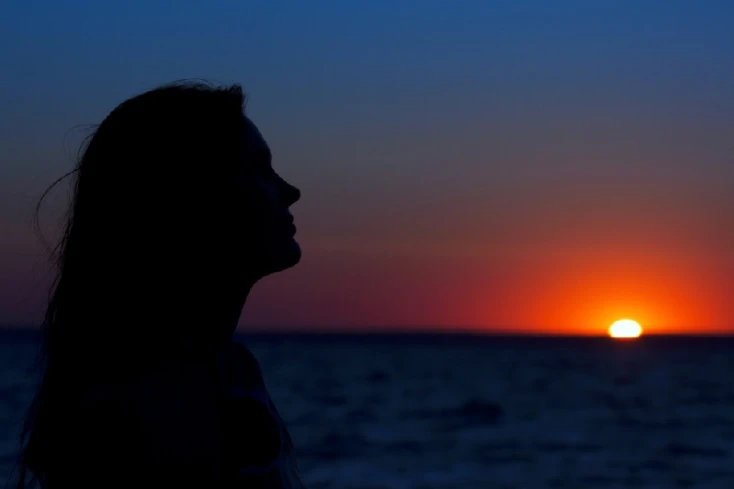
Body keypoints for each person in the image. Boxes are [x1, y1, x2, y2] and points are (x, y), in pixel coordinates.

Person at [16, 81, 307, 488]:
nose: (290, 192)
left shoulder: (232, 371)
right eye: (259, 170)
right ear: (190, 197)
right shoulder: (139, 409)